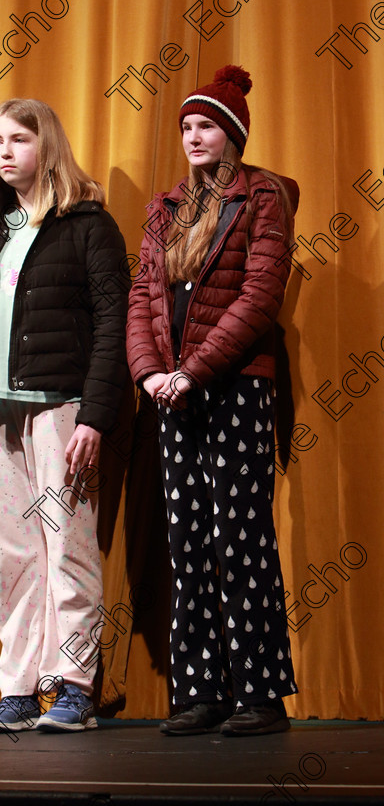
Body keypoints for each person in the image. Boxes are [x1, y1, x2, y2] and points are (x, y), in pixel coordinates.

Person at [0, 98, 128, 733]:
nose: (5, 151)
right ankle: (19, 688)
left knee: (69, 549)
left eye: (19, 139)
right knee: (15, 556)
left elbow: (113, 325)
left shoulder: (87, 225)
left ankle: (74, 688)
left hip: (61, 409)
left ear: (47, 146)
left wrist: (95, 416)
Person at [126, 66, 299, 736]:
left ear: (232, 134)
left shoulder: (264, 198)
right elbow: (143, 297)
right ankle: (202, 691)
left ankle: (259, 695)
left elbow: (260, 295)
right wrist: (149, 375)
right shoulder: (165, 209)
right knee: (187, 540)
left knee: (241, 536)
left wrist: (193, 371)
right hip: (171, 395)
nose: (194, 137)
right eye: (187, 128)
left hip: (234, 387)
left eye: (206, 126)